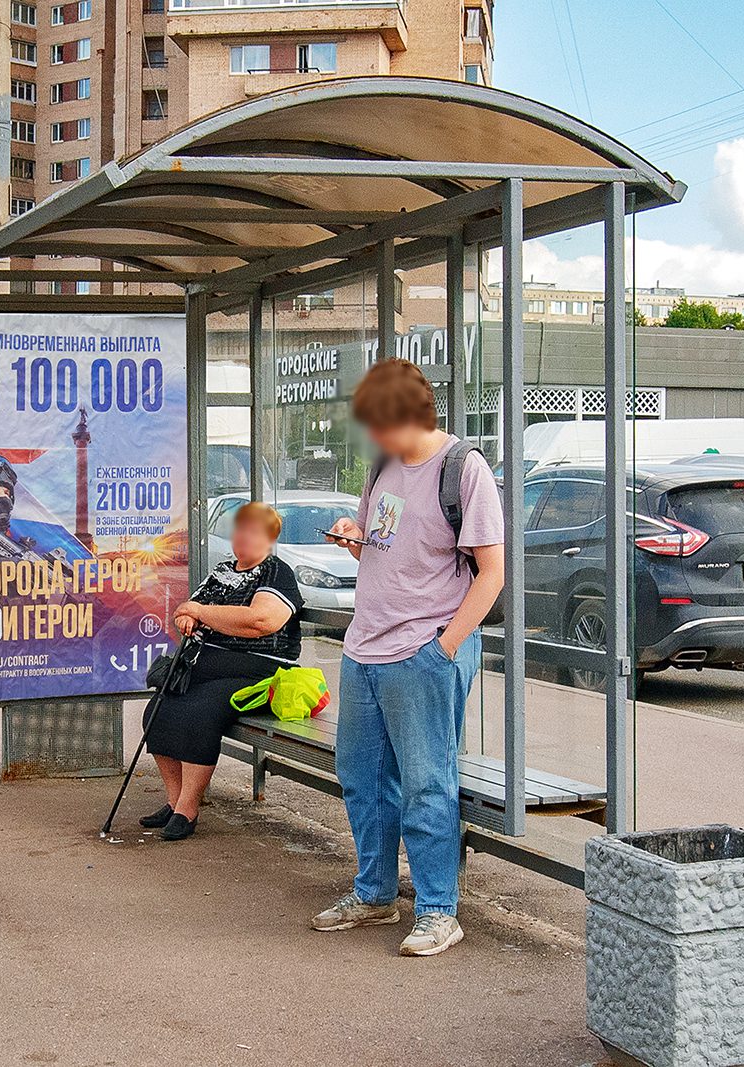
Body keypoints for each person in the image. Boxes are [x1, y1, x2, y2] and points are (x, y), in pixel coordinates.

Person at [313, 358, 505, 958]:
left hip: (423, 651)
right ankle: (374, 893)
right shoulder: (383, 465)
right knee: (362, 778)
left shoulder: (463, 468)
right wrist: (353, 535)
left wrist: (443, 648)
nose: (372, 436)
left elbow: (492, 573)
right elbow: (381, 543)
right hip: (365, 646)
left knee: (427, 785)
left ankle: (438, 910)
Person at [140, 502, 302, 841]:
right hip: (205, 666)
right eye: (240, 529)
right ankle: (173, 800)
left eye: (254, 532)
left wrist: (202, 613)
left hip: (259, 672)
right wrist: (189, 616)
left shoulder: (276, 572)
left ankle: (188, 809)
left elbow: (261, 621)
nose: (244, 537)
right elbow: (187, 611)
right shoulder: (221, 572)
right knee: (158, 709)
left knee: (199, 712)